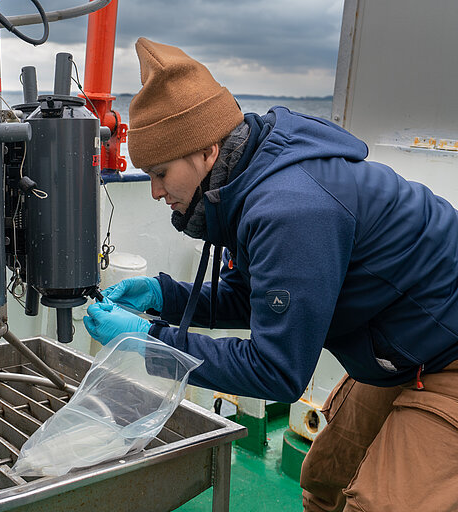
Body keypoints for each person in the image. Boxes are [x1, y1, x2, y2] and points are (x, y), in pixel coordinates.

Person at [83, 37, 458, 512]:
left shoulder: (291, 210)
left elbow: (278, 371)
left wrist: (149, 340)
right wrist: (165, 296)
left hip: (448, 351)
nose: (155, 192)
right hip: (397, 348)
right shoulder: (245, 183)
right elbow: (252, 296)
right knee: (325, 480)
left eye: (160, 173)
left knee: (380, 504)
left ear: (208, 151)